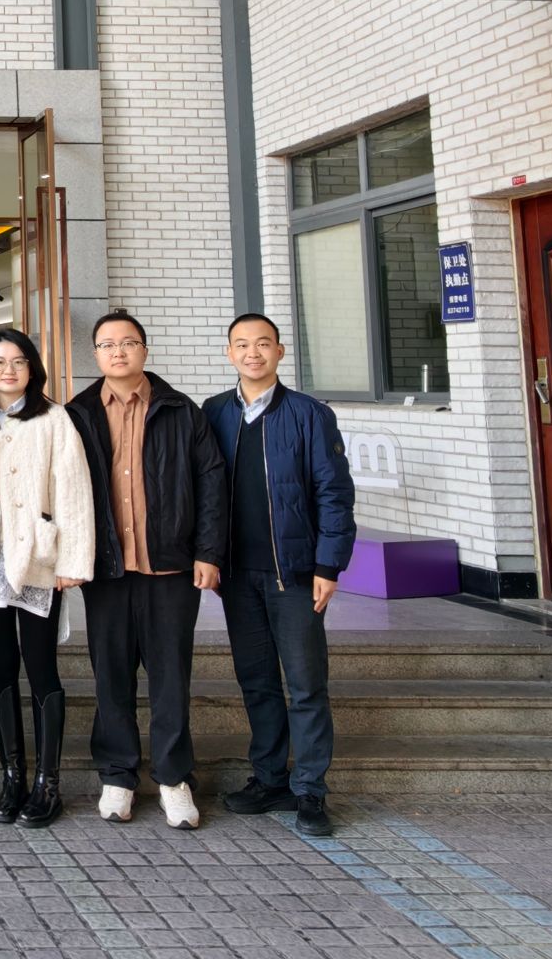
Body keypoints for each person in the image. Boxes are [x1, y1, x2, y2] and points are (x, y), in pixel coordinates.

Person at [67, 309, 228, 831]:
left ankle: (173, 779)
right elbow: (64, 491)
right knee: (111, 675)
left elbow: (211, 484)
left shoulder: (181, 411)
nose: (118, 352)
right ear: (96, 354)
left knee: (170, 678)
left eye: (128, 342)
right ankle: (117, 775)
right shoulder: (77, 414)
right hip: (107, 571)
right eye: (107, 344)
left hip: (171, 569)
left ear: (144, 350)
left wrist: (208, 553)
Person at [205, 313, 357, 839]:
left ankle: (310, 790)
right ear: (229, 353)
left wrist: (328, 565)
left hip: (294, 574)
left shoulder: (309, 414)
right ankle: (270, 779)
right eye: (242, 345)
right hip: (236, 575)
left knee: (306, 683)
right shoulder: (214, 413)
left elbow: (334, 493)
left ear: (280, 351)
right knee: (257, 681)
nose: (253, 353)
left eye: (263, 344)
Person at [0, 327, 95, 830]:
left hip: (39, 558)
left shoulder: (54, 418)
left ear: (32, 368)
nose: (8, 370)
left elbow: (74, 491)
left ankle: (48, 783)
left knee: (41, 667)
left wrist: (72, 563)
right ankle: (12, 776)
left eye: (18, 361)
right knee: (0, 668)